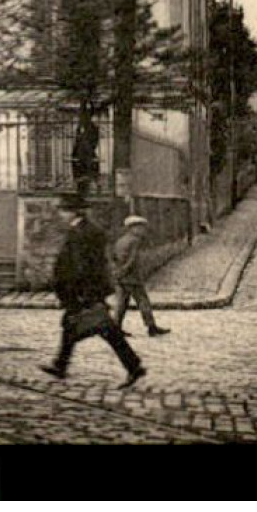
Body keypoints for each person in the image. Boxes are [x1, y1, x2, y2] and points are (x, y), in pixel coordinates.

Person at [41, 192, 146, 389]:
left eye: (64, 210)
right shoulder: (85, 229)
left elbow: (83, 265)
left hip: (84, 289)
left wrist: (81, 291)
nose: (62, 215)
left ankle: (134, 367)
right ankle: (60, 364)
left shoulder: (83, 232)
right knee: (75, 326)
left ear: (74, 212)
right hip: (85, 289)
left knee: (101, 328)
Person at [112, 215, 169, 337]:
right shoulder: (135, 241)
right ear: (132, 228)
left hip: (120, 277)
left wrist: (117, 272)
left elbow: (114, 257)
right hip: (131, 277)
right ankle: (151, 327)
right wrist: (124, 271)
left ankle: (115, 328)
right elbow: (132, 260)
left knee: (121, 303)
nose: (142, 230)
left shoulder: (121, 240)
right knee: (143, 302)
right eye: (140, 227)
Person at [71, 113, 101, 197]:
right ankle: (84, 190)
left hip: (84, 155)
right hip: (82, 156)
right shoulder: (86, 130)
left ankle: (88, 189)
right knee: (84, 174)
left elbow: (94, 141)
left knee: (87, 173)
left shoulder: (91, 130)